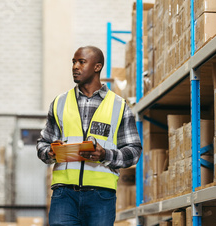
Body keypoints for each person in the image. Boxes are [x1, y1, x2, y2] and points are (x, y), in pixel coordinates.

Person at [37, 46, 142, 226]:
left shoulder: (119, 106)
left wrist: (105, 155)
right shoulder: (59, 103)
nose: (75, 67)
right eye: (73, 62)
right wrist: (50, 152)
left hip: (101, 196)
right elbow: (42, 144)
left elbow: (134, 151)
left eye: (81, 62)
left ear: (97, 67)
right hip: (64, 195)